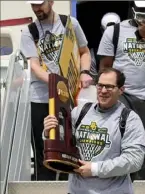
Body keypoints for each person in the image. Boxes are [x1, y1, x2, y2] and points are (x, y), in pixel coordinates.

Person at [97, 0, 145, 180]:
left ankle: (138, 187)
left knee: (141, 147)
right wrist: (106, 92)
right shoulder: (113, 32)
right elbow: (105, 67)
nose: (144, 16)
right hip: (120, 95)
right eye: (141, 11)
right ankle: (113, 186)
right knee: (115, 143)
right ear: (133, 10)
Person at [20, 0, 92, 181]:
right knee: (44, 150)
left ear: (51, 2)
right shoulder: (29, 31)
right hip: (40, 99)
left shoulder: (70, 24)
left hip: (70, 98)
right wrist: (57, 83)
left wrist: (84, 72)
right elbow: (34, 66)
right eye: (33, 6)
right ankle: (44, 188)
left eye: (40, 5)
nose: (37, 9)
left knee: (71, 148)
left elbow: (84, 51)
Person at [43, 68, 145, 194]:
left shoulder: (130, 119)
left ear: (121, 90)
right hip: (77, 191)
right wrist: (49, 133)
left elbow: (134, 160)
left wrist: (95, 169)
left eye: (109, 87)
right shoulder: (80, 111)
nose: (103, 91)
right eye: (100, 85)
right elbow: (64, 145)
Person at [90, 12, 121, 77]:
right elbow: (93, 80)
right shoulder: (93, 54)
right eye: (108, 32)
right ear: (101, 30)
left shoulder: (127, 50)